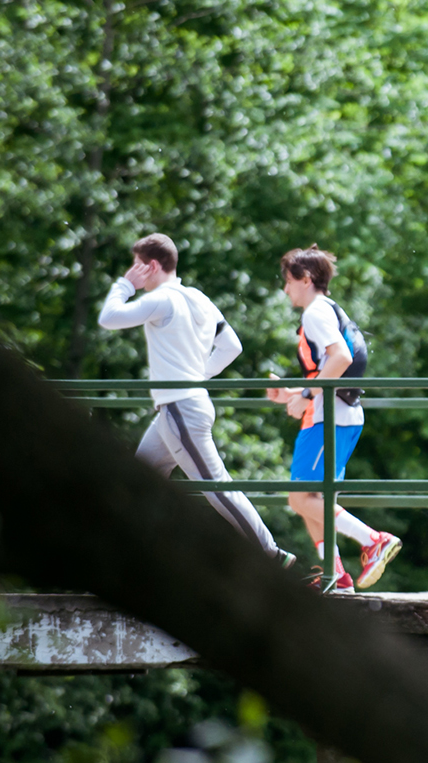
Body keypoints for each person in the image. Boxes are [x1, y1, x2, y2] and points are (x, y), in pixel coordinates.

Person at [98, 233, 299, 570]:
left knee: (217, 487)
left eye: (136, 265)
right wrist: (198, 376)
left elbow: (109, 318)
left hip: (180, 410)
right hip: (182, 409)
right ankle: (132, 560)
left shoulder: (162, 299)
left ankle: (272, 556)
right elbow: (232, 346)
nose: (133, 271)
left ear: (151, 265)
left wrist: (124, 284)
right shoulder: (199, 299)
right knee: (138, 484)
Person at [264, 246, 401, 592]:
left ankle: (373, 540)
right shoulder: (328, 310)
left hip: (329, 417)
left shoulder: (315, 313)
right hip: (336, 414)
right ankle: (336, 576)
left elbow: (339, 357)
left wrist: (307, 396)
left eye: (289, 281)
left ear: (306, 280)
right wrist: (294, 394)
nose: (286, 290)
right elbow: (329, 370)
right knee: (313, 501)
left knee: (300, 499)